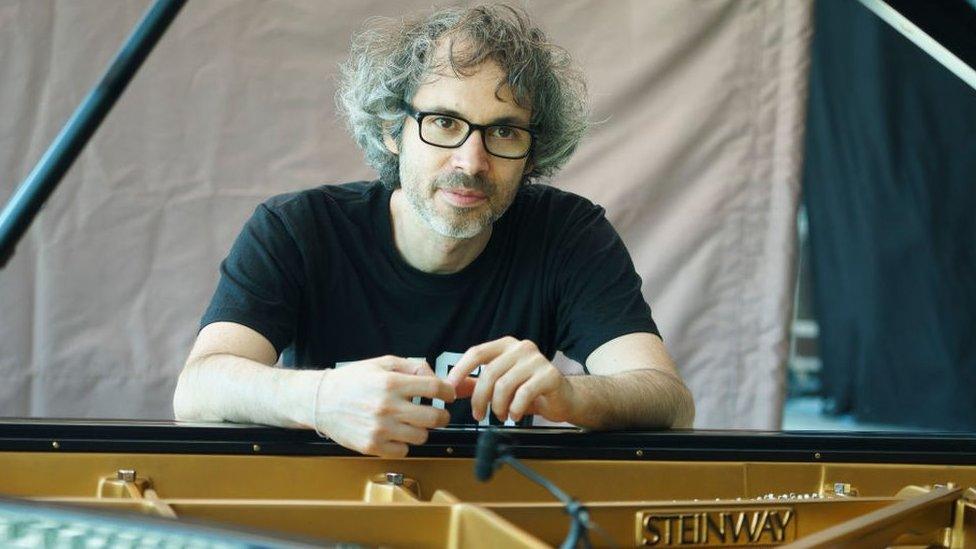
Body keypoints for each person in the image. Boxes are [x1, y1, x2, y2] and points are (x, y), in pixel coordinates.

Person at [173, 4, 694, 457]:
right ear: (391, 130)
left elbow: (669, 400)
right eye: (444, 122)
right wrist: (319, 398)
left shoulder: (569, 234)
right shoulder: (297, 229)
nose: (472, 161)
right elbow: (198, 389)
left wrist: (571, 397)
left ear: (532, 153)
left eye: (504, 131)